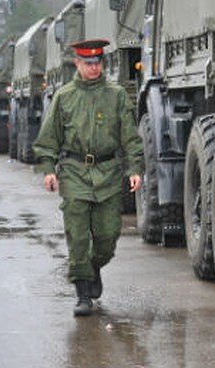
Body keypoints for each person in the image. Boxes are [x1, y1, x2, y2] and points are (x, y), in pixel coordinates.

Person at [33, 39, 144, 317]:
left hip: (107, 173)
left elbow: (130, 137)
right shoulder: (65, 96)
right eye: (88, 63)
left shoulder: (116, 95)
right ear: (78, 64)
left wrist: (135, 169)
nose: (94, 68)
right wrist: (48, 169)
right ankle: (83, 293)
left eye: (98, 63)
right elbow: (49, 139)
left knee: (107, 236)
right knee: (78, 236)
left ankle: (93, 268)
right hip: (74, 173)